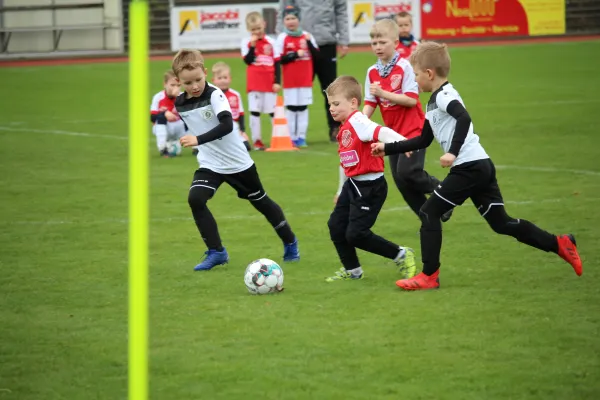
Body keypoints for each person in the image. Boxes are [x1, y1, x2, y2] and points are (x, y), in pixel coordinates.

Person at [371, 42, 583, 290]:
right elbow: (422, 140)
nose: (415, 80)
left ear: (429, 73)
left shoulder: (445, 96)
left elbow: (464, 117)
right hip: (480, 166)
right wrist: (388, 148)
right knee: (501, 223)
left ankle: (429, 276)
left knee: (429, 212)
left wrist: (452, 152)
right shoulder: (432, 103)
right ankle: (559, 243)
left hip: (469, 167)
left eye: (416, 75)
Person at [172, 49, 300, 271]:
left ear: (205, 72)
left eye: (198, 80)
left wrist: (197, 140)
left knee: (261, 202)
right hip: (210, 163)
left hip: (237, 163)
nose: (194, 86)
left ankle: (290, 241)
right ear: (178, 81)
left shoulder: (215, 95)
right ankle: (217, 252)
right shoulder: (180, 103)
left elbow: (227, 125)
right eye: (188, 82)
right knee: (196, 199)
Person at [325, 75, 416, 282]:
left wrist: (404, 143)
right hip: (353, 185)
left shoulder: (358, 121)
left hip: (370, 188)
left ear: (353, 103)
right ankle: (353, 271)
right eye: (330, 104)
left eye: (336, 104)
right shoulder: (345, 126)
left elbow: (381, 131)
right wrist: (340, 190)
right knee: (336, 226)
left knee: (356, 234)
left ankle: (401, 254)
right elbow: (346, 162)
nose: (331, 108)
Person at [362, 19, 452, 222]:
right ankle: (428, 218)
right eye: (374, 43)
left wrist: (384, 93)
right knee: (401, 181)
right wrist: (358, 122)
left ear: (395, 43)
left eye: (382, 42)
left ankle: (444, 192)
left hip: (414, 129)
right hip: (392, 134)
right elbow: (370, 102)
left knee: (408, 172)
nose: (378, 47)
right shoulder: (372, 72)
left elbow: (411, 100)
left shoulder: (405, 67)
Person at [277, 0, 349, 142]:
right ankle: (294, 134)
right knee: (296, 91)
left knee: (331, 89)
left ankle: (335, 127)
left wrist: (344, 40)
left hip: (326, 41)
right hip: (298, 42)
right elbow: (283, 9)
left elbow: (341, 11)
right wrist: (282, 37)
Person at [275, 5, 319, 147]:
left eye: (293, 18)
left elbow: (317, 56)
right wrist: (294, 55)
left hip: (305, 79)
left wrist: (308, 42)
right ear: (284, 21)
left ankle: (301, 137)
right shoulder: (282, 38)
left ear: (299, 20)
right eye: (287, 19)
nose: (291, 21)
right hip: (290, 80)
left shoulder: (307, 36)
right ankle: (291, 137)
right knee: (292, 108)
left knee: (303, 108)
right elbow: (279, 59)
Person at [241, 12, 282, 150]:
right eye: (253, 29)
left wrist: (277, 82)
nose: (257, 32)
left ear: (264, 25)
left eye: (258, 28)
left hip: (269, 82)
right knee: (255, 111)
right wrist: (252, 46)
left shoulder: (272, 42)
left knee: (273, 111)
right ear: (248, 29)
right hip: (254, 83)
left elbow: (277, 63)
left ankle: (278, 138)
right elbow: (248, 61)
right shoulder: (246, 42)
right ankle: (257, 141)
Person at [211, 61, 251, 152]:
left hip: (234, 127)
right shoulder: (212, 95)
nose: (222, 80)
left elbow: (241, 114)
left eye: (225, 77)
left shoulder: (235, 95)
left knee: (246, 147)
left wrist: (242, 131)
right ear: (214, 80)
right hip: (218, 128)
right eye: (219, 78)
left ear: (230, 79)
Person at [150, 70, 185, 157]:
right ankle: (163, 149)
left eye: (178, 85)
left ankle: (197, 149)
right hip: (165, 127)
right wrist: (164, 113)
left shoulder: (183, 96)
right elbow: (152, 118)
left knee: (193, 118)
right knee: (161, 118)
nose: (175, 88)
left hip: (179, 127)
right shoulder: (158, 97)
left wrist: (179, 99)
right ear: (165, 84)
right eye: (172, 85)